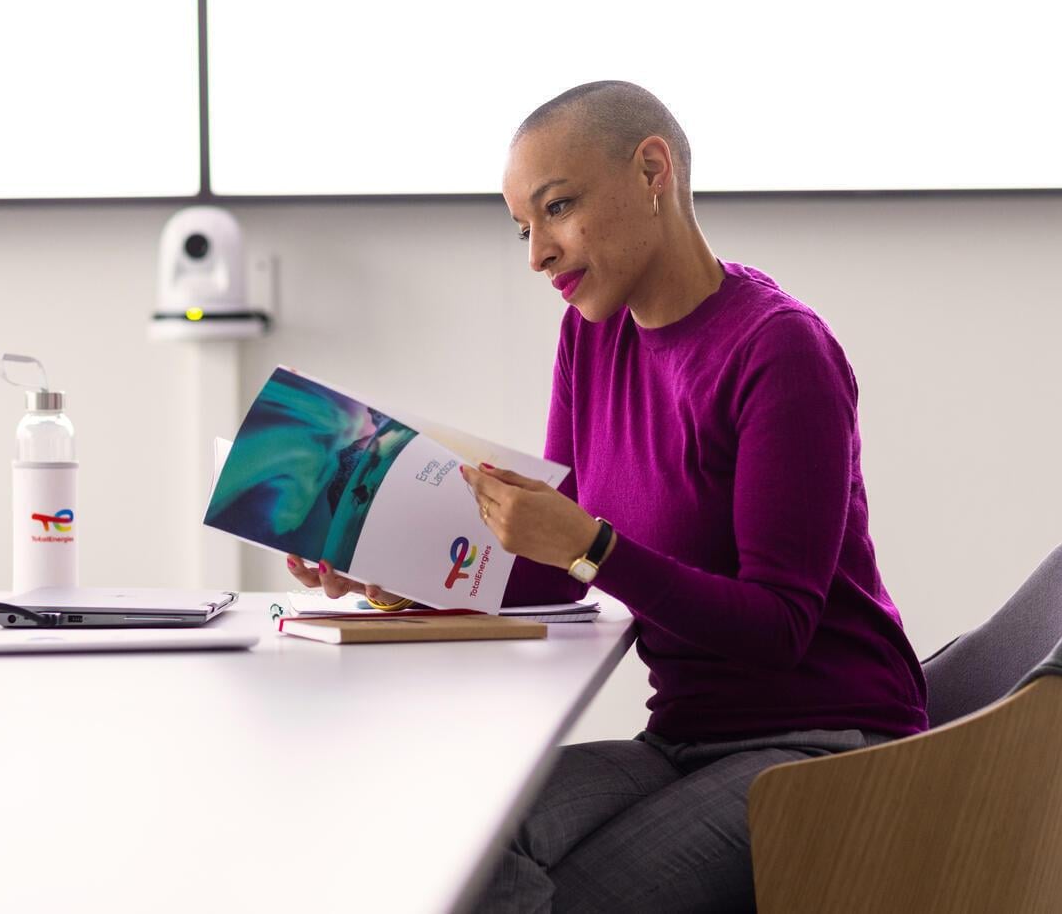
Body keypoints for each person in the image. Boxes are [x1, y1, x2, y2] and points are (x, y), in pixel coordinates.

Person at [287, 80, 929, 912]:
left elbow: (779, 626)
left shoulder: (779, 351)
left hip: (824, 741)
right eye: (524, 227)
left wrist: (592, 545)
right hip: (686, 737)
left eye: (557, 209)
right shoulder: (591, 338)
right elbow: (561, 570)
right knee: (445, 836)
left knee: (547, 895)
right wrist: (393, 571)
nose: (537, 255)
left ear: (652, 171)